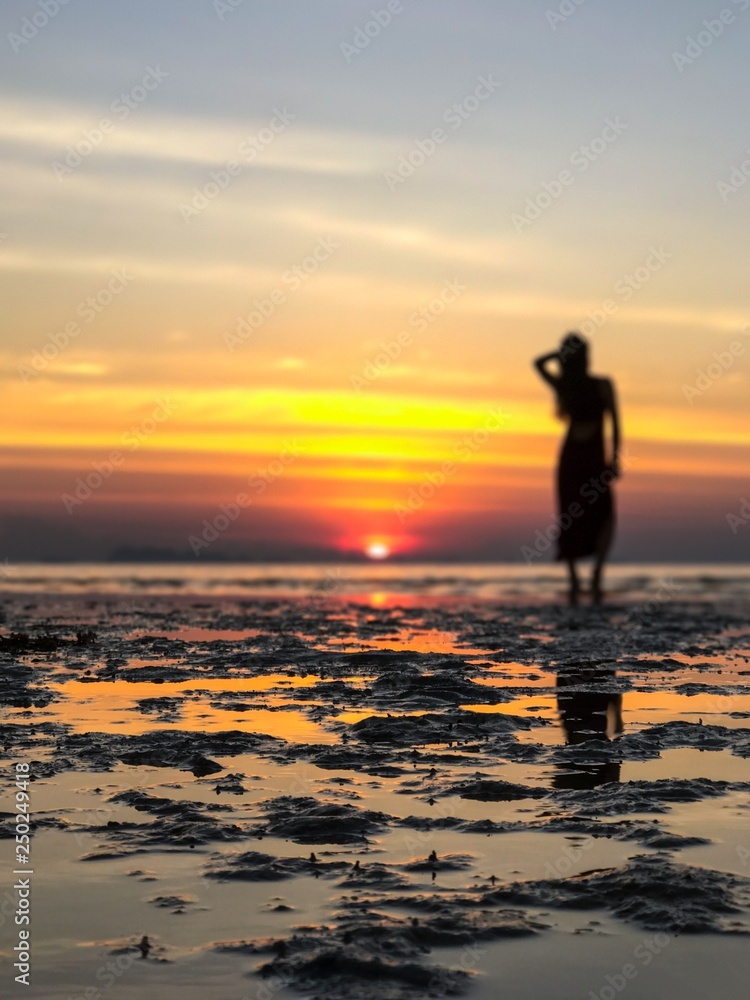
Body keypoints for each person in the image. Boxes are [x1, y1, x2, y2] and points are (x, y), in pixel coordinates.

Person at [534, 333, 621, 605]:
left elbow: (616, 423)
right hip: (572, 457)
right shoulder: (565, 386)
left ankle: (596, 574)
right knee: (569, 514)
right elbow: (537, 363)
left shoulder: (603, 384)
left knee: (605, 511)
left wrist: (614, 459)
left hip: (594, 456)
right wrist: (563, 355)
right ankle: (573, 578)